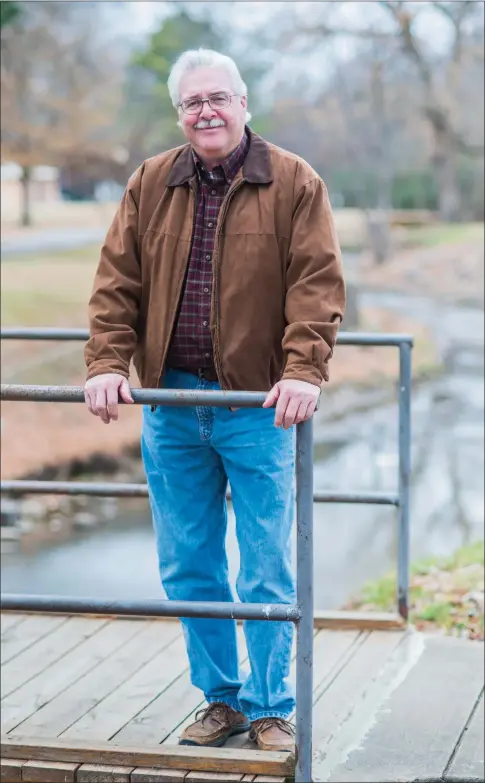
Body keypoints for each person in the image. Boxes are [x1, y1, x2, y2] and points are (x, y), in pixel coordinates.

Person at [84, 48, 345, 753]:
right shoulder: (150, 181)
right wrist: (107, 362)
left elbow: (316, 286)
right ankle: (221, 700)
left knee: (265, 565)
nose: (206, 111)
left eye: (218, 98)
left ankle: (268, 709)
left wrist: (303, 370)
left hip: (258, 407)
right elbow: (116, 285)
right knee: (190, 563)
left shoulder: (293, 181)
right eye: (192, 101)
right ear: (180, 114)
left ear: (242, 104)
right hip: (170, 403)